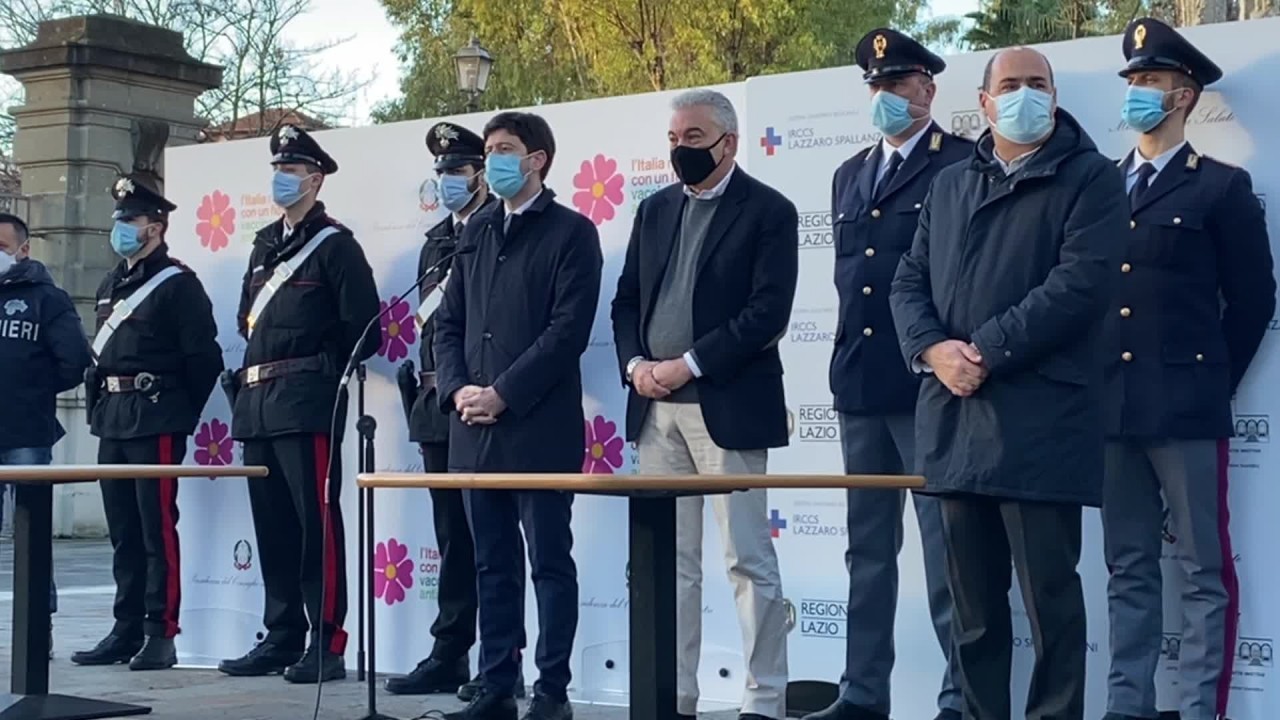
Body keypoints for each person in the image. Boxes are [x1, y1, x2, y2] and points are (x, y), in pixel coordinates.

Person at [889, 47, 1127, 720]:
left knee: (1052, 606)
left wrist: (987, 350)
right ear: (985, 102)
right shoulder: (950, 184)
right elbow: (908, 280)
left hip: (1042, 427)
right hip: (956, 426)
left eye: (1038, 84)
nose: (1026, 95)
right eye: (1012, 84)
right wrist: (933, 350)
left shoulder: (1091, 178)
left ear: (1054, 95)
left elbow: (1080, 285)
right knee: (972, 616)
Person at [1101, 18, 1276, 720]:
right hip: (1112, 409)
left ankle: (1201, 709)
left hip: (1187, 407)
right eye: (1133, 80)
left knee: (1203, 571)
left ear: (1185, 96)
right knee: (1128, 569)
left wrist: (1210, 382)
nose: (1138, 92)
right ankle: (1127, 706)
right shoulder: (1101, 187)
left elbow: (1254, 300)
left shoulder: (1222, 188)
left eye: (1151, 81)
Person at [611, 87, 797, 720]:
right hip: (654, 411)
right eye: (673, 139)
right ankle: (673, 697)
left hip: (727, 407)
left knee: (747, 559)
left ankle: (764, 700)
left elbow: (767, 313)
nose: (680, 150)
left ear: (729, 142)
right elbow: (626, 301)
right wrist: (636, 367)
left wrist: (686, 364)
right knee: (669, 564)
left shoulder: (769, 211)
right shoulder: (654, 210)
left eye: (693, 138)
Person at [806, 28, 970, 720]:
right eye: (876, 86)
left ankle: (961, 698)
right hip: (861, 384)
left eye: (897, 85)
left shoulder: (960, 163)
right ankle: (861, 694)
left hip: (927, 386)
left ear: (928, 89)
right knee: (867, 552)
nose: (886, 96)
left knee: (946, 553)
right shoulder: (849, 173)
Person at [434, 111, 601, 720]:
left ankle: (552, 691)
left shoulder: (571, 232)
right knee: (490, 565)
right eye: (489, 151)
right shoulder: (476, 231)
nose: (493, 161)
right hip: (473, 432)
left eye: (505, 149)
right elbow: (448, 323)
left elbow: (566, 332)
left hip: (538, 429)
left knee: (549, 564)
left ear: (537, 160)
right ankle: (496, 685)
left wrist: (503, 393)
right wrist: (458, 390)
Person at [218, 125, 381, 683]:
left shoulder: (336, 246)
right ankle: (282, 632)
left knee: (317, 525)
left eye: (291, 170)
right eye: (277, 169)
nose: (281, 178)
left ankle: (326, 642)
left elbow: (364, 329)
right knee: (273, 528)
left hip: (307, 402)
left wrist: (320, 370)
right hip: (257, 403)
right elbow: (248, 320)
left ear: (315, 179)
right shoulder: (264, 245)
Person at [389, 120, 526, 701]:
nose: (448, 179)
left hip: (486, 405)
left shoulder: (498, 229)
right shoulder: (435, 242)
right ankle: (450, 650)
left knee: (491, 540)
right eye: (441, 171)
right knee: (450, 537)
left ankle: (503, 661)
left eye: (458, 170)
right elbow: (437, 330)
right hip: (437, 401)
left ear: (480, 176)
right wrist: (445, 390)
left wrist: (476, 391)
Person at [71, 175, 222, 671]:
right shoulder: (111, 283)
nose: (121, 228)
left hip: (155, 415)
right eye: (119, 219)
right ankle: (126, 626)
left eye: (130, 220)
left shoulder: (177, 284)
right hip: (113, 418)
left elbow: (203, 359)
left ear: (155, 227)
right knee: (123, 532)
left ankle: (160, 631)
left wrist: (177, 414)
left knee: (156, 529)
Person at [0, 212, 90, 658]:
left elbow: (74, 360)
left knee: (31, 535)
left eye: (2, 247)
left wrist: (31, 390)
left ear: (23, 249)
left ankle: (38, 627)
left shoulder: (47, 299)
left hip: (26, 432)